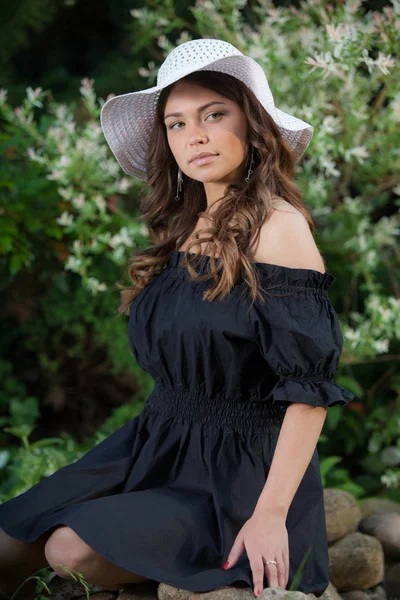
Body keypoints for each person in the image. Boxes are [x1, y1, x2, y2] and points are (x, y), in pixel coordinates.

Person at [0, 38, 354, 600]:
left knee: (67, 550)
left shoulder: (280, 229)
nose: (196, 135)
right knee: (7, 541)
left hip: (238, 472)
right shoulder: (189, 222)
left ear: (253, 122)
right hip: (158, 437)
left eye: (215, 114)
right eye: (177, 123)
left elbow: (308, 393)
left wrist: (269, 515)